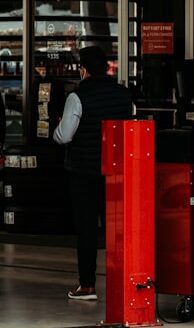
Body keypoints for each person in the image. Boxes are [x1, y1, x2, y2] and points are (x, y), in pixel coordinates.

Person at [54, 45, 132, 301]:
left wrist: (54, 130)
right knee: (117, 231)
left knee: (87, 231)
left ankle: (87, 286)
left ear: (83, 69)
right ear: (108, 67)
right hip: (117, 174)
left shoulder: (77, 97)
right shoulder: (123, 95)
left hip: (84, 173)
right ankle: (124, 283)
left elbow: (64, 135)